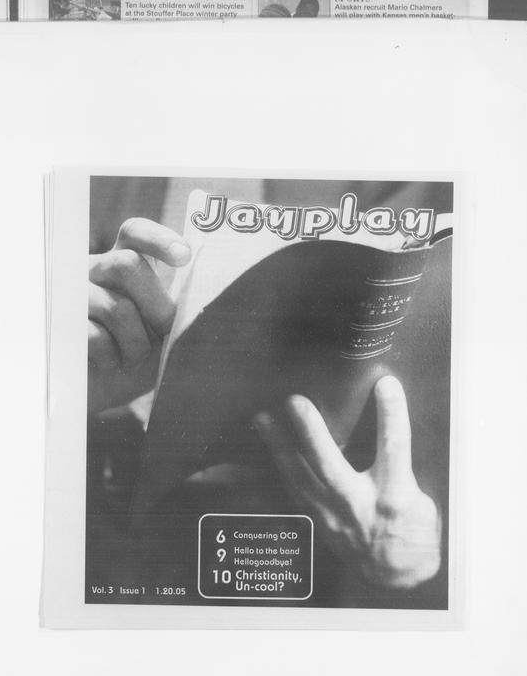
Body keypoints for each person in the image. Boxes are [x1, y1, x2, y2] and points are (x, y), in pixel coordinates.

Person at [88, 217, 442, 592]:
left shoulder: (429, 203)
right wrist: (72, 394)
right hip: (110, 549)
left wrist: (417, 562)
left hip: (307, 576)